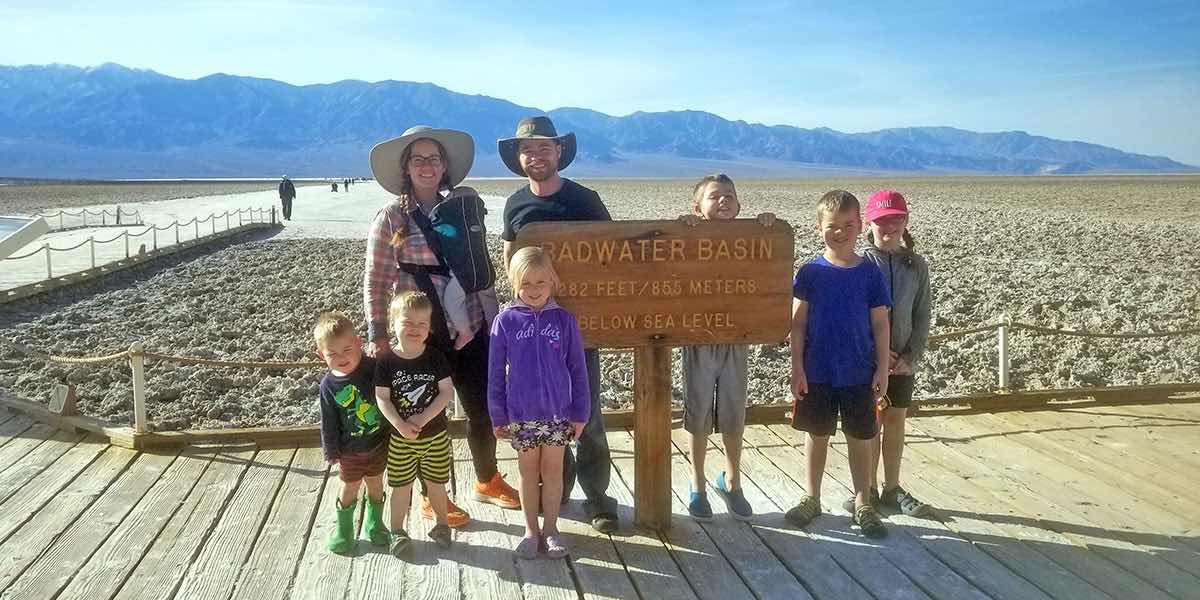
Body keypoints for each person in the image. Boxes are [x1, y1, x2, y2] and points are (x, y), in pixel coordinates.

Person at [365, 125, 518, 530]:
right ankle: (433, 496)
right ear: (406, 168)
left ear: (445, 166)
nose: (427, 166)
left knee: (480, 408)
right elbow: (376, 280)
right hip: (420, 333)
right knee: (426, 417)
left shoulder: (463, 212)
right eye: (419, 159)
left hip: (470, 323)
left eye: (434, 158)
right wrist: (378, 334)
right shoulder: (391, 218)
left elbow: (478, 267)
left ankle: (487, 478)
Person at [497, 115, 619, 533]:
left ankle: (599, 498)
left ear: (559, 152)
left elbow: (612, 255)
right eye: (528, 149)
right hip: (535, 332)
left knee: (588, 412)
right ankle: (559, 488)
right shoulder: (515, 204)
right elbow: (511, 261)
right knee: (547, 409)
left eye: (544, 148)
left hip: (579, 328)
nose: (536, 156)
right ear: (519, 157)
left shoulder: (585, 199)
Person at [786, 190, 892, 539]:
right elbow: (798, 323)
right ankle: (812, 497)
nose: (840, 232)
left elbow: (880, 323)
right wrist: (797, 367)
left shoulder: (870, 274)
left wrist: (881, 369)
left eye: (848, 224)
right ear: (819, 228)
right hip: (817, 372)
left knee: (860, 436)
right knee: (817, 434)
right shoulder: (810, 273)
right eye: (832, 225)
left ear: (860, 225)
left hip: (859, 372)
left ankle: (864, 501)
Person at [676, 174, 774, 522]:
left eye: (729, 196)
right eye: (714, 196)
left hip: (736, 337)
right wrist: (685, 228)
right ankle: (698, 483)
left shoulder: (750, 236)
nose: (723, 201)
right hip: (698, 339)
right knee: (698, 412)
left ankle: (732, 480)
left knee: (734, 412)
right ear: (697, 207)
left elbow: (768, 267)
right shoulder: (689, 236)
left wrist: (765, 227)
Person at [488, 247, 590, 559]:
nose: (534, 290)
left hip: (558, 414)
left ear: (553, 282)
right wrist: (497, 414)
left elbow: (578, 368)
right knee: (528, 473)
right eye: (526, 284)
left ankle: (552, 529)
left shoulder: (564, 320)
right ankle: (531, 530)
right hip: (521, 415)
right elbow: (494, 372)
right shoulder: (505, 321)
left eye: (540, 283)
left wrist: (580, 412)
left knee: (554, 471)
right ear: (514, 283)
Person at [856, 189, 932, 517]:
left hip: (902, 364)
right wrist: (877, 354)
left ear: (906, 223)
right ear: (869, 224)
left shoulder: (917, 266)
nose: (889, 228)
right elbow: (854, 315)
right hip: (868, 363)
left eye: (895, 220)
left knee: (896, 420)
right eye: (882, 221)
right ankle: (867, 488)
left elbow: (922, 314)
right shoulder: (859, 265)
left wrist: (910, 357)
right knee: (870, 422)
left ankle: (892, 487)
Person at [375, 291, 456, 553]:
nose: (415, 329)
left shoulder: (434, 356)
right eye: (407, 322)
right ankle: (397, 531)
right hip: (401, 439)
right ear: (392, 324)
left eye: (422, 324)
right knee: (401, 485)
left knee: (436, 483)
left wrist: (422, 417)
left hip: (434, 436)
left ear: (429, 327)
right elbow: (382, 398)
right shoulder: (386, 360)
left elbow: (446, 392)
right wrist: (399, 423)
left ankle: (442, 525)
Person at [314, 311, 388, 554]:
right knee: (349, 488)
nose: (341, 358)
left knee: (376, 485)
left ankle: (375, 523)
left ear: (359, 343)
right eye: (332, 354)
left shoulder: (373, 368)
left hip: (378, 443)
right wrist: (331, 450)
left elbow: (389, 398)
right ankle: (344, 530)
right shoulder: (328, 385)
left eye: (347, 350)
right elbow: (329, 421)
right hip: (349, 452)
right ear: (320, 355)